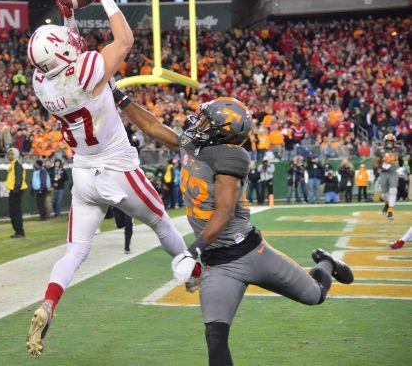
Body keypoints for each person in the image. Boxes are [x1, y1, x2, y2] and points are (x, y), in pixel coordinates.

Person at [112, 89, 353, 366]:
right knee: (215, 335)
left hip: (251, 253)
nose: (198, 124)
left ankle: (326, 264)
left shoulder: (231, 158)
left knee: (315, 296)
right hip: (219, 263)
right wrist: (118, 95)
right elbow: (152, 126)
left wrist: (192, 251)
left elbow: (224, 211)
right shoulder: (193, 143)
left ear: (222, 133)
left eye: (206, 122)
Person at [26, 0, 189, 357]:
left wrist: (67, 14)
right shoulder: (85, 72)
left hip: (82, 171)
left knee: (75, 252)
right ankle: (192, 270)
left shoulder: (42, 83)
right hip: (116, 167)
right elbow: (125, 40)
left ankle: (48, 302)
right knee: (161, 222)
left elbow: (71, 48)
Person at [374, 133, 401, 220]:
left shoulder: (398, 150)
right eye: (388, 141)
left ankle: (390, 211)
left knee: (393, 190)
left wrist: (399, 166)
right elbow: (375, 163)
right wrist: (380, 167)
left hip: (393, 172)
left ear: (394, 142)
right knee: (385, 194)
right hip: (384, 173)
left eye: (391, 141)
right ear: (385, 142)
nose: (389, 143)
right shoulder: (380, 150)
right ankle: (387, 204)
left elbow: (401, 162)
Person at [6, 147, 27, 238]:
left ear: (16, 155)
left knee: (16, 212)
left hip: (16, 191)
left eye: (12, 154)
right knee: (13, 212)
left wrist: (16, 190)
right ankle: (17, 231)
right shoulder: (12, 165)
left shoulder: (17, 165)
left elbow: (19, 178)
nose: (10, 156)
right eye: (9, 154)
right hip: (13, 190)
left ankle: (20, 232)